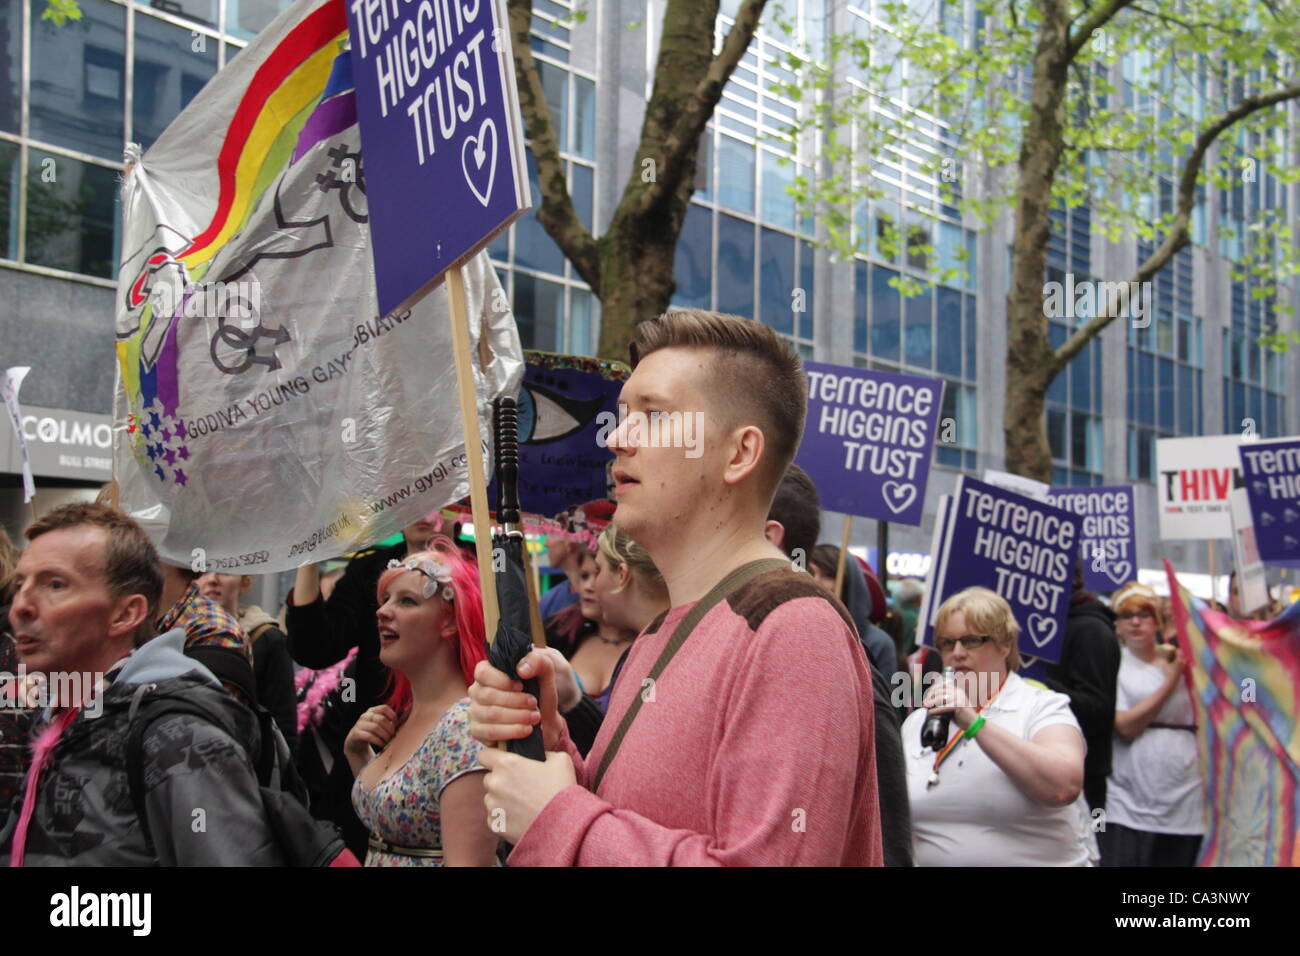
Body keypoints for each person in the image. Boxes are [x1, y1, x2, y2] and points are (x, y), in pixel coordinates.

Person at [470, 309, 882, 866]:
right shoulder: (663, 627)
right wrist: (547, 744)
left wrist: (557, 816)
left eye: (654, 415)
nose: (615, 438)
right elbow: (627, 810)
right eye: (621, 416)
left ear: (740, 454)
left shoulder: (793, 629)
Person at [0, 503, 288, 865]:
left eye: (55, 584)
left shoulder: (179, 736)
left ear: (126, 613)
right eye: (19, 584)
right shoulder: (60, 714)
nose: (20, 606)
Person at [903, 587, 1094, 866]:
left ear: (1005, 645)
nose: (957, 653)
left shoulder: (1041, 706)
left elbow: (1063, 787)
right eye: (946, 642)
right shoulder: (919, 721)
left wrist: (974, 723)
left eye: (971, 641)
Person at [345, 538, 499, 866]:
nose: (383, 612)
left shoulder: (464, 726)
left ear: (451, 621)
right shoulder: (405, 715)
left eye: (407, 601)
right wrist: (357, 755)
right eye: (385, 599)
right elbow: (389, 819)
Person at [1100, 582, 1204, 867]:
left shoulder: (1180, 659)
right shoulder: (1115, 663)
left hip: (1185, 795)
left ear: (1157, 620)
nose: (1135, 622)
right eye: (1126, 615)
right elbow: (1126, 726)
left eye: (1144, 614)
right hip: (1130, 797)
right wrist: (1171, 682)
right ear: (1117, 625)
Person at [552, 524, 670, 756]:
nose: (592, 586)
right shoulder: (652, 644)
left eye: (597, 570)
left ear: (622, 575)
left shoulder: (666, 652)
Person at [1036, 562, 1121, 812]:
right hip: (1043, 770)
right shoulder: (1045, 625)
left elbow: (1099, 710)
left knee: (1095, 842)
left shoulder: (1092, 630)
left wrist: (1037, 684)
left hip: (1085, 781)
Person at [197, 571, 298, 750]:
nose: (212, 579)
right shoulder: (173, 636)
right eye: (202, 572)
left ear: (245, 582)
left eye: (225, 570)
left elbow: (283, 725)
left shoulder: (268, 640)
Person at [155, 561, 255, 703]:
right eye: (206, 571)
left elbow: (208, 715)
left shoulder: (213, 629)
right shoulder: (154, 617)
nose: (212, 580)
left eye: (224, 570)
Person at [807, 544, 897, 678]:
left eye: (828, 576)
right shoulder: (799, 634)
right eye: (810, 573)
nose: (816, 582)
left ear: (848, 583)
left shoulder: (878, 643)